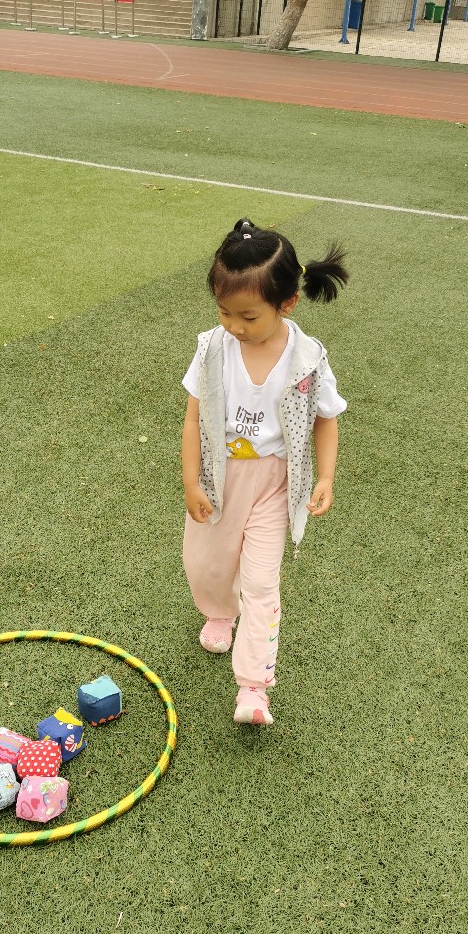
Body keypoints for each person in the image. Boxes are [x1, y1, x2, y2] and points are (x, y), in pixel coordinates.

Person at [180, 219, 348, 727]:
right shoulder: (212, 348)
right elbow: (193, 418)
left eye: (248, 316)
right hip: (221, 477)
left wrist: (325, 477)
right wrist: (190, 480)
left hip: (275, 485)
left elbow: (326, 419)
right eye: (224, 311)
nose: (234, 325)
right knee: (206, 565)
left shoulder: (307, 358)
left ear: (287, 303)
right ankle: (218, 611)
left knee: (260, 582)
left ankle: (254, 685)